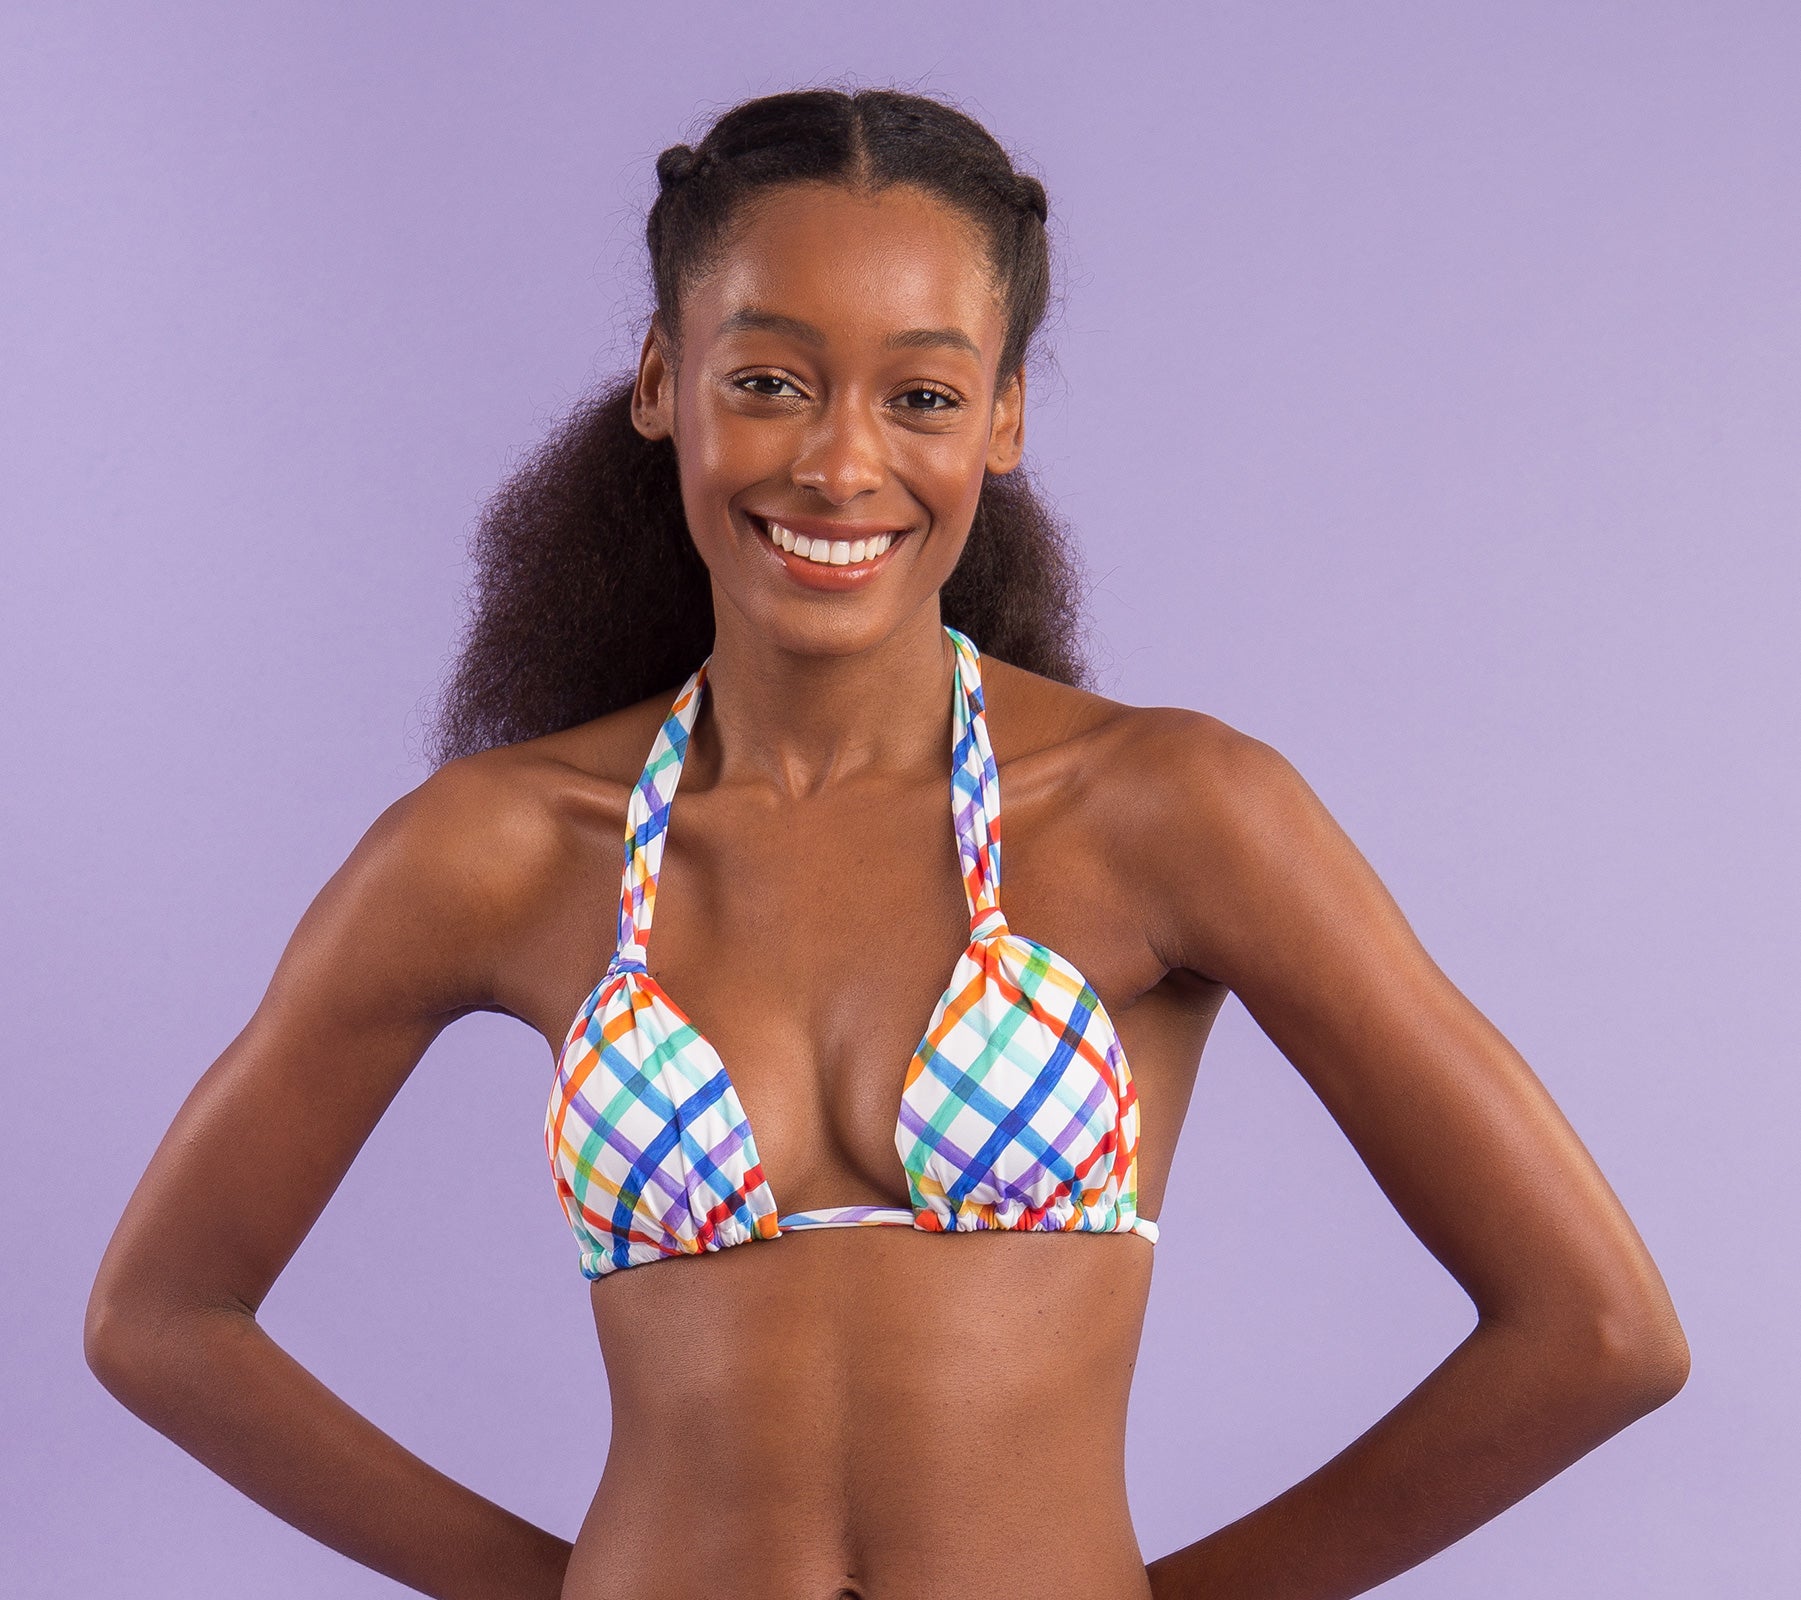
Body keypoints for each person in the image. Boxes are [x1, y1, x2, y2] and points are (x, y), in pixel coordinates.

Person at [85, 86, 1688, 1600]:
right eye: (767, 381)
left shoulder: (1170, 810)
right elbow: (159, 1318)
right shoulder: (504, 846)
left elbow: (1598, 1333)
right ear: (660, 383)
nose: (838, 463)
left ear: (1000, 418)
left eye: (919, 395)